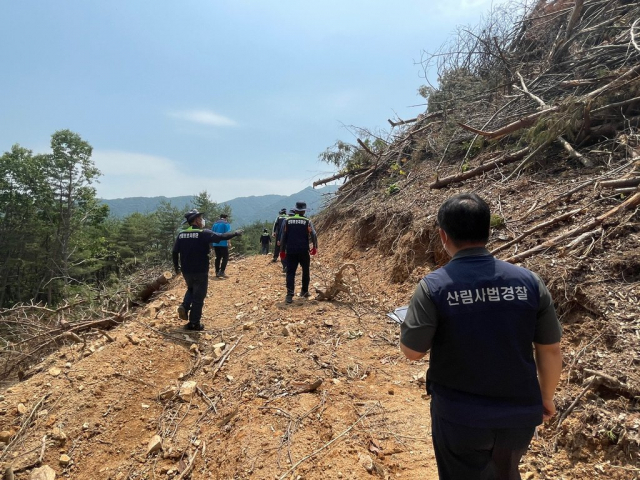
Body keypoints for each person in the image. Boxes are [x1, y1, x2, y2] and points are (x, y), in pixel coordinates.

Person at [400, 193, 562, 480]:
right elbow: (549, 349)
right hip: (519, 417)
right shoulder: (529, 282)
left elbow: (413, 352)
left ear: (443, 235)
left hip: (459, 419)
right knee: (507, 472)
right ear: (487, 232)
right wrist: (546, 397)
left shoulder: (433, 287)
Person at [173, 209, 243, 331]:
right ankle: (194, 323)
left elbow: (174, 252)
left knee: (190, 288)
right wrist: (235, 234)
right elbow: (221, 236)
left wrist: (176, 268)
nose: (202, 220)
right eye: (200, 218)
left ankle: (184, 305)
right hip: (200, 270)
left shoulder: (181, 234)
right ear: (196, 220)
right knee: (199, 297)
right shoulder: (203, 233)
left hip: (186, 270)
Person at [279, 201, 318, 304]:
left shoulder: (287, 221)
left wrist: (282, 250)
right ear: (304, 211)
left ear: (295, 210)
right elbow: (314, 235)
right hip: (303, 250)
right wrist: (315, 247)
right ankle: (304, 291)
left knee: (290, 272)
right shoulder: (307, 221)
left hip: (291, 251)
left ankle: (289, 295)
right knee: (306, 271)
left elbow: (283, 236)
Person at [211, 213, 232, 278]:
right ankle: (222, 272)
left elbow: (212, 233)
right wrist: (229, 243)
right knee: (225, 257)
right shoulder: (226, 224)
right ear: (226, 218)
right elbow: (227, 234)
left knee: (218, 257)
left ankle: (217, 272)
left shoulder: (215, 224)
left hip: (216, 243)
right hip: (223, 243)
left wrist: (212, 243)